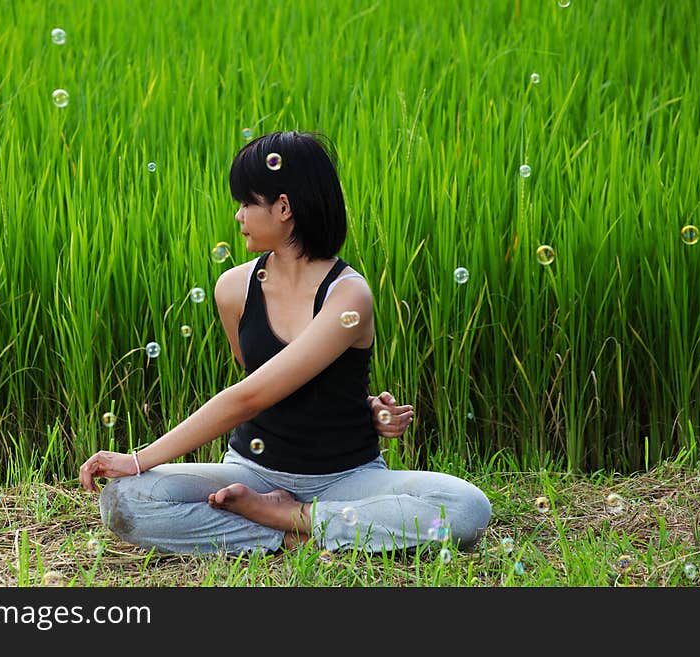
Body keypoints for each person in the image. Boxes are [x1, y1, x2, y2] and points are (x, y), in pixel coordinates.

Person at [80, 130, 491, 555]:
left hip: (346, 479)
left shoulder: (348, 294)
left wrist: (138, 459)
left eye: (246, 203)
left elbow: (249, 396)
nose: (238, 216)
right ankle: (297, 530)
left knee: (465, 508)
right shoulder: (233, 288)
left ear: (283, 207)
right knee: (124, 502)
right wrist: (365, 404)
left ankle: (284, 518)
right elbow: (272, 386)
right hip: (252, 471)